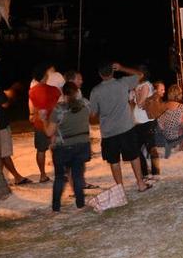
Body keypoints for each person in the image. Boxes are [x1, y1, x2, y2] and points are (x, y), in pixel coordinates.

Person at [88, 61, 151, 193]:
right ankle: (140, 184)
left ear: (100, 74)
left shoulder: (95, 91)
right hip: (126, 128)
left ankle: (120, 189)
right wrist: (122, 67)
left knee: (114, 161)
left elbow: (93, 114)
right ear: (113, 71)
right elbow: (140, 74)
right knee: (134, 156)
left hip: (108, 132)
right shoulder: (123, 83)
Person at [44, 81, 91, 212]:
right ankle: (80, 203)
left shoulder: (58, 109)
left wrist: (43, 120)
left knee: (60, 177)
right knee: (77, 175)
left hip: (63, 147)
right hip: (82, 145)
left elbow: (49, 132)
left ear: (63, 94)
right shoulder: (86, 104)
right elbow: (90, 114)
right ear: (77, 92)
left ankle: (56, 207)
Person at [29, 64, 62, 183]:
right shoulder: (54, 90)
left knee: (40, 150)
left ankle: (42, 175)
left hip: (39, 123)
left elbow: (33, 107)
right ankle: (59, 173)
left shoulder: (32, 91)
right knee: (56, 149)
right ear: (44, 76)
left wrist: (32, 114)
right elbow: (60, 103)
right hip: (53, 122)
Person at [132, 65, 160, 180]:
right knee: (136, 149)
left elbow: (139, 103)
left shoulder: (145, 86)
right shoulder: (139, 86)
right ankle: (146, 172)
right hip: (139, 122)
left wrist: (136, 92)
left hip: (147, 122)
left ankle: (155, 172)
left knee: (151, 147)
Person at [157, 84, 183, 152]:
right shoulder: (179, 106)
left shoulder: (164, 105)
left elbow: (160, 121)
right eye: (180, 93)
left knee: (180, 126)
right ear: (177, 95)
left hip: (165, 134)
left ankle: (182, 145)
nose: (182, 94)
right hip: (174, 135)